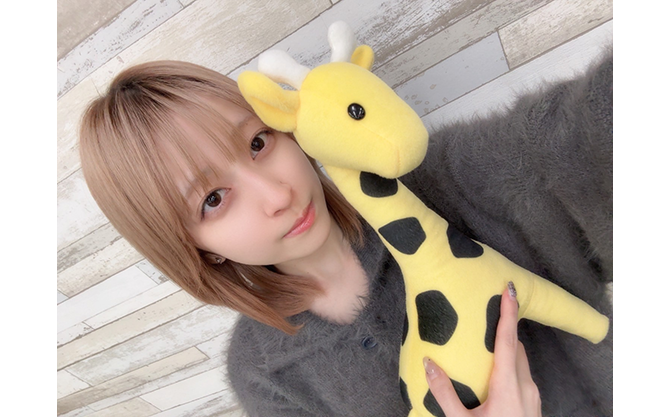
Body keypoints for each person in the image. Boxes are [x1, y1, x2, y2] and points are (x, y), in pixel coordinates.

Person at [79, 48, 612, 416]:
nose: (277, 195)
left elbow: (581, 134)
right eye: (213, 199)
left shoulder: (445, 186)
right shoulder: (267, 378)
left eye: (259, 143)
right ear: (194, 248)